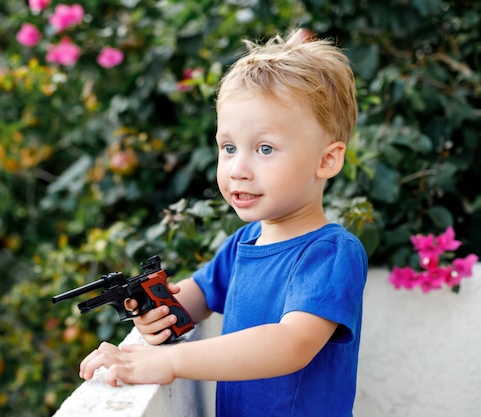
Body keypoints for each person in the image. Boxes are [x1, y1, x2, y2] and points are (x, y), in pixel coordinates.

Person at [79, 28, 368, 417]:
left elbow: (290, 344)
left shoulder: (331, 253)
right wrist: (155, 314)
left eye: (265, 149)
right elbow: (191, 299)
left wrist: (167, 362)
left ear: (327, 160)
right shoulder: (243, 244)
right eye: (228, 148)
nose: (238, 169)